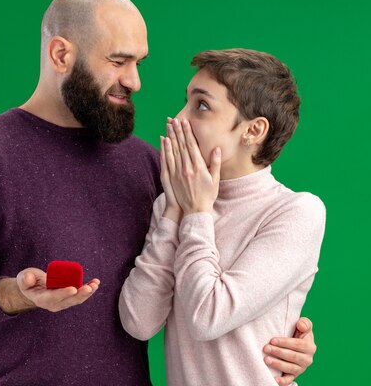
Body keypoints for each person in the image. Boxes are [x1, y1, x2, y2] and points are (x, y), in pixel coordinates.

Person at [0, 0, 317, 385]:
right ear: (61, 54)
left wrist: (276, 339)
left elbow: (200, 292)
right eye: (119, 61)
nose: (135, 81)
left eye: (139, 63)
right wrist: (15, 294)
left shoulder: (152, 169)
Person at [119, 48, 325, 385]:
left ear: (254, 130)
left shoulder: (296, 212)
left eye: (201, 105)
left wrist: (197, 213)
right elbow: (138, 322)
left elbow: (208, 316)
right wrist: (174, 210)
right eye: (185, 101)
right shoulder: (173, 205)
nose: (179, 118)